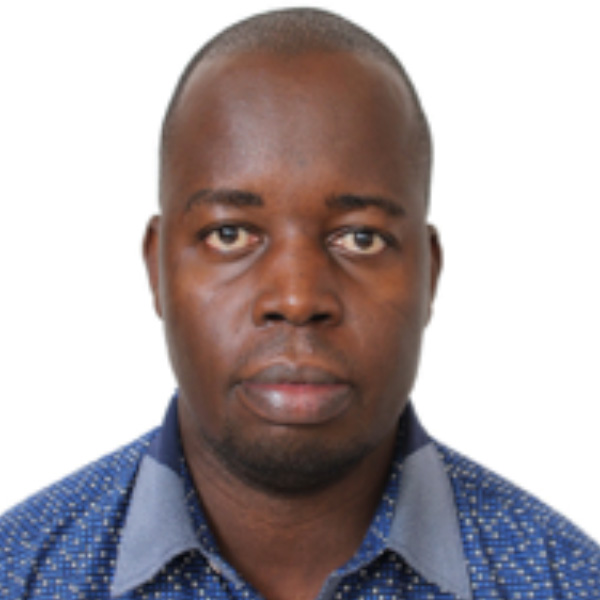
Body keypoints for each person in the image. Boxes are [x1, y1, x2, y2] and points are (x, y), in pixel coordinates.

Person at [1, 7, 598, 599]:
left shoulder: (568, 581)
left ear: (429, 276)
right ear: (157, 269)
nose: (296, 299)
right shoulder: (18, 573)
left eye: (360, 238)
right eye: (229, 234)